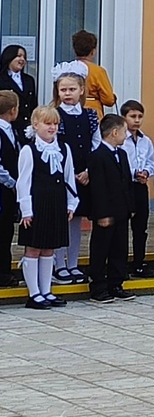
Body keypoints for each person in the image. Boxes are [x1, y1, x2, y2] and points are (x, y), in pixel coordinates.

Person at [16, 105, 76, 309]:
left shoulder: (64, 149)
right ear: (35, 125)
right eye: (47, 123)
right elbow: (23, 182)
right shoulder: (29, 150)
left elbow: (69, 178)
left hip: (57, 203)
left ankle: (46, 290)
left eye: (55, 124)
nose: (52, 128)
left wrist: (71, 203)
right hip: (37, 205)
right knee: (33, 248)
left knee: (49, 248)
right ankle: (34, 293)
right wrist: (26, 210)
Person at [52, 61, 97, 284]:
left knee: (77, 221)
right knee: (62, 220)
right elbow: (52, 146)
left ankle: (73, 263)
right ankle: (58, 264)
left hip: (84, 175)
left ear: (81, 90)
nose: (67, 93)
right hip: (61, 175)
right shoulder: (55, 115)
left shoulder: (90, 116)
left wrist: (89, 170)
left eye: (71, 89)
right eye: (63, 90)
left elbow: (96, 144)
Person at [86, 114, 134, 304]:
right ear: (114, 132)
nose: (126, 135)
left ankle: (116, 283)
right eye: (124, 131)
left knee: (119, 247)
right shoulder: (97, 156)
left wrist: (130, 206)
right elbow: (98, 188)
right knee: (101, 248)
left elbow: (126, 182)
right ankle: (98, 286)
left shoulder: (121, 154)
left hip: (121, 210)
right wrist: (102, 214)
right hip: (106, 212)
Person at [119, 101, 154, 278]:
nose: (137, 120)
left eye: (140, 116)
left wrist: (146, 172)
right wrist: (134, 173)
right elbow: (120, 164)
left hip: (141, 186)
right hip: (126, 187)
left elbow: (150, 161)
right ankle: (121, 263)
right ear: (124, 118)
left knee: (140, 227)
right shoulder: (120, 140)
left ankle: (139, 262)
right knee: (122, 226)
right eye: (133, 116)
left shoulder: (145, 140)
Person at [0, 91, 21, 285]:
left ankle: (5, 271)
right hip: (3, 190)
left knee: (6, 231)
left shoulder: (11, 131)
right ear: (13, 110)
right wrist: (12, 183)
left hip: (7, 192)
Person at [72, 30, 116, 117]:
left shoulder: (68, 69)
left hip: (70, 109)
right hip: (93, 111)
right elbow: (109, 100)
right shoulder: (98, 71)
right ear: (93, 51)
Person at [0, 45, 38, 130]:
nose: (22, 60)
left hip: (27, 127)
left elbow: (33, 104)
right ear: (9, 57)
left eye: (24, 57)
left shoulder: (29, 80)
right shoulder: (1, 79)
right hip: (7, 126)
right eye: (19, 56)